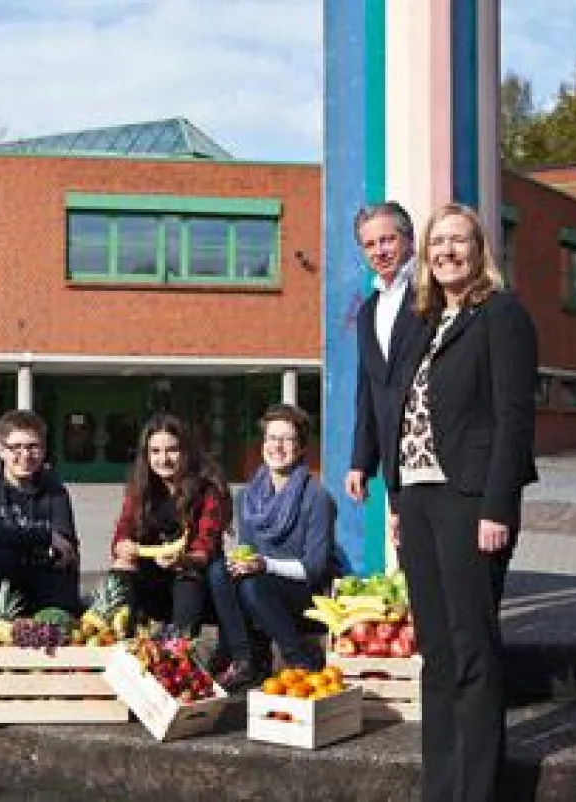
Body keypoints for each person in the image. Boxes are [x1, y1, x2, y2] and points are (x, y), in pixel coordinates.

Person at [392, 202, 538, 802]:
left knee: (472, 647)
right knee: (438, 650)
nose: (448, 250)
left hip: (470, 498)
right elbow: (404, 414)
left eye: (460, 241)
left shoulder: (501, 315)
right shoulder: (427, 320)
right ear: (426, 255)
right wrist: (398, 501)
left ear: (480, 251)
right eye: (438, 242)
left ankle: (475, 791)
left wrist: (497, 508)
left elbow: (513, 418)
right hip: (420, 496)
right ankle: (440, 787)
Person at [208, 404, 335, 690]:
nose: (277, 446)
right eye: (271, 438)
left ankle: (298, 658)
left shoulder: (317, 498)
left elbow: (315, 568)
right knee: (219, 572)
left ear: (301, 448)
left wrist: (264, 564)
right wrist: (240, 564)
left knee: (253, 586)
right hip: (259, 585)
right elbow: (249, 554)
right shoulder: (247, 498)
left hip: (303, 592)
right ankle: (245, 660)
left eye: (287, 439)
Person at [345, 201, 429, 551]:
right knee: (413, 567)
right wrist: (361, 462)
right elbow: (369, 390)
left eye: (387, 240)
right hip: (399, 462)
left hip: (437, 452)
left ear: (408, 239)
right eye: (370, 244)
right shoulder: (368, 311)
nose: (379, 251)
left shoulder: (432, 292)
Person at [109, 414, 230, 636]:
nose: (163, 459)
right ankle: (122, 641)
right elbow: (123, 529)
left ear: (187, 451)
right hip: (151, 578)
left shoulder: (209, 489)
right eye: (155, 452)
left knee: (187, 576)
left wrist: (184, 558)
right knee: (120, 570)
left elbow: (206, 547)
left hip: (194, 582)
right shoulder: (140, 488)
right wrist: (122, 546)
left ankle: (179, 652)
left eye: (172, 450)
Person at [0, 409, 82, 615]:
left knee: (65, 568)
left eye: (33, 447)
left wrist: (60, 546)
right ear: (1, 450)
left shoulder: (54, 488)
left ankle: (60, 622)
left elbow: (65, 541)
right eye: (16, 447)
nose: (25, 455)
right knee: (0, 557)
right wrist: (43, 536)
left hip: (41, 577)